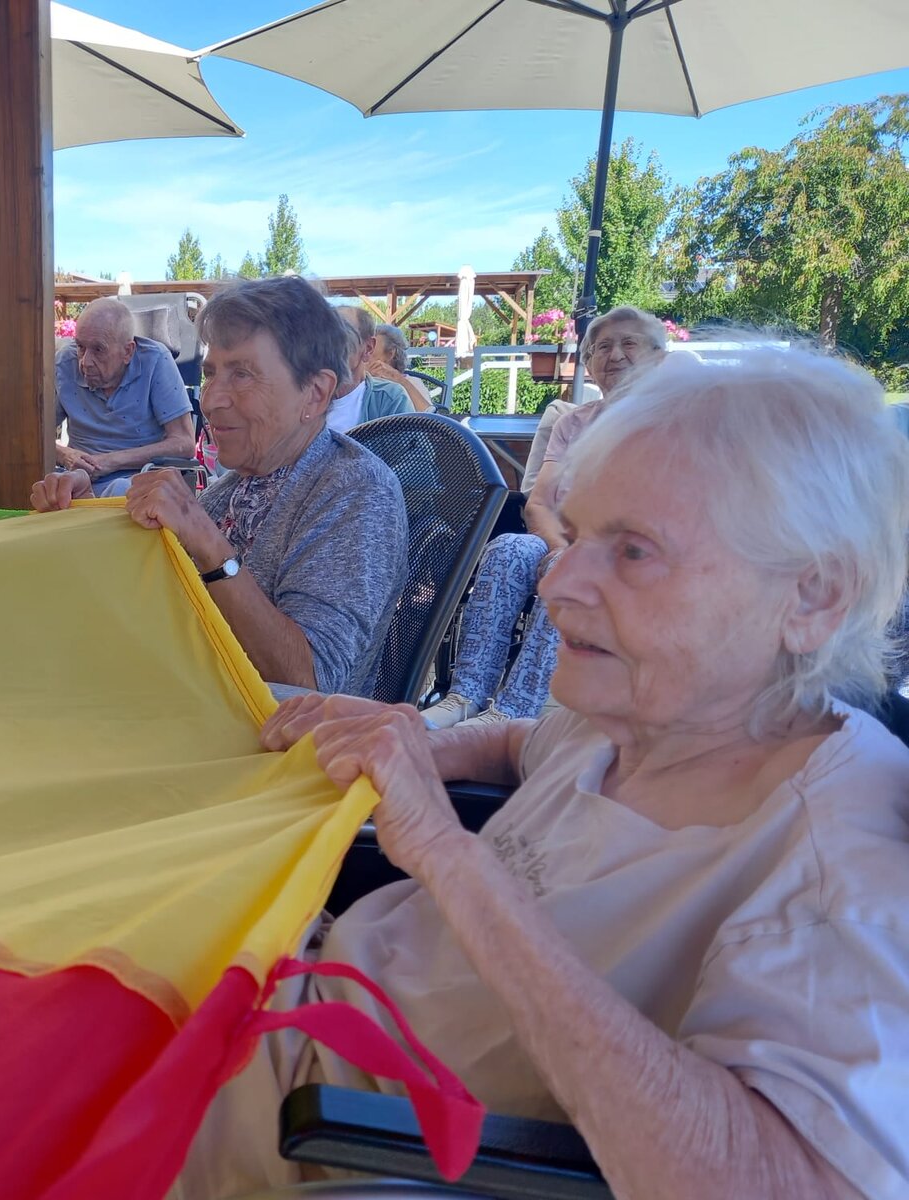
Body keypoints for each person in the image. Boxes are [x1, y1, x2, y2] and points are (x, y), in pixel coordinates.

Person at [176, 345, 909, 1200]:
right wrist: (409, 738)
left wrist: (446, 854)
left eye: (633, 551)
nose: (558, 586)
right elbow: (519, 744)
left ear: (814, 598)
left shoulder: (841, 864)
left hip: (319, 1129)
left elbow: (782, 1183)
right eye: (577, 535)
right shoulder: (650, 716)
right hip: (281, 990)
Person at [33, 276, 407, 697]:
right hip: (182, 700)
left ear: (315, 394)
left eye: (242, 375)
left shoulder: (356, 491)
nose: (210, 401)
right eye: (211, 374)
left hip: (268, 733)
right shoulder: (238, 486)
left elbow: (309, 680)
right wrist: (86, 515)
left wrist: (208, 543)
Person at [422, 307, 668, 728]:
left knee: (571, 570)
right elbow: (538, 502)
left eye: (629, 343)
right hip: (563, 542)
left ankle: (512, 713)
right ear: (589, 363)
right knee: (509, 547)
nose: (614, 355)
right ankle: (465, 695)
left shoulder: (672, 426)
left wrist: (578, 556)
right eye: (601, 347)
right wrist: (559, 548)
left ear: (658, 358)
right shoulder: (572, 423)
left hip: (628, 557)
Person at [54, 297, 194, 497]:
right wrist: (64, 454)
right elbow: (33, 436)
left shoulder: (155, 361)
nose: (85, 362)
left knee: (120, 488)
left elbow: (184, 443)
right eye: (81, 347)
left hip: (139, 481)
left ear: (128, 351)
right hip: (77, 481)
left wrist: (112, 461)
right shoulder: (65, 362)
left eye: (98, 349)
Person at [326, 306, 413, 433]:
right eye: (325, 334)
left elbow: (411, 447)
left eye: (345, 335)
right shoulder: (305, 396)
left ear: (368, 348)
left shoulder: (389, 399)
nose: (331, 343)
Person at [370, 321, 433, 412]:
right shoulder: (362, 384)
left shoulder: (411, 383)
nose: (365, 355)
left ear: (390, 354)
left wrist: (400, 380)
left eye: (371, 350)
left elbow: (428, 416)